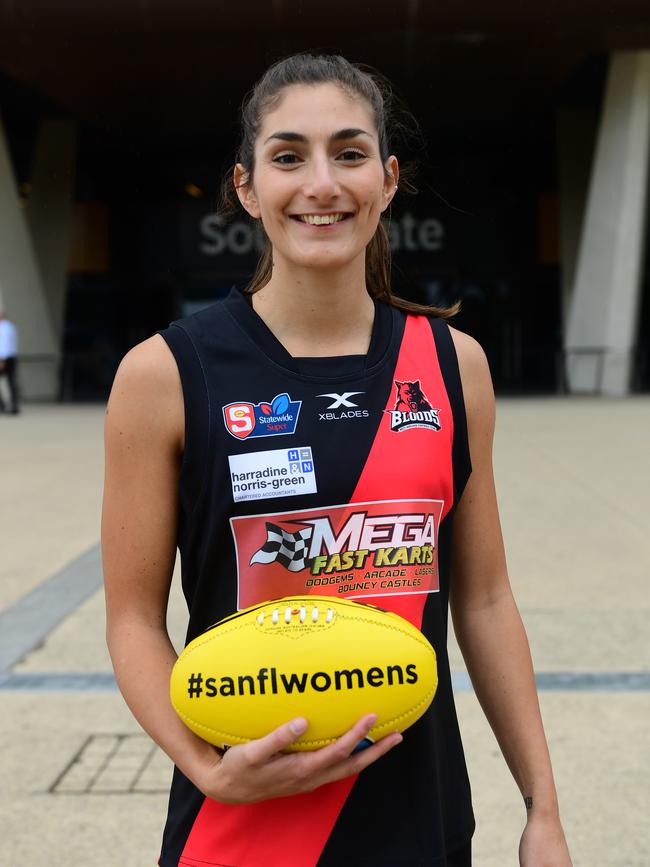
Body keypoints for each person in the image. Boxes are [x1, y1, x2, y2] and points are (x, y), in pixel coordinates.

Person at [102, 53, 572, 867]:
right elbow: (132, 620)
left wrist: (543, 812)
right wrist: (206, 767)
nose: (322, 183)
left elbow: (487, 601)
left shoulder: (453, 365)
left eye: (349, 153)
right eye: (289, 156)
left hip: (418, 821)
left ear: (387, 180)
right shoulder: (165, 375)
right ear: (247, 187)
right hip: (240, 826)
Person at [0, 311, 19, 414]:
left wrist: (2, 359)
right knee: (12, 382)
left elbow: (3, 344)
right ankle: (13, 405)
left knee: (11, 382)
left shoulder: (3, 328)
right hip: (12, 357)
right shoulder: (11, 326)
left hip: (4, 358)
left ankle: (4, 405)